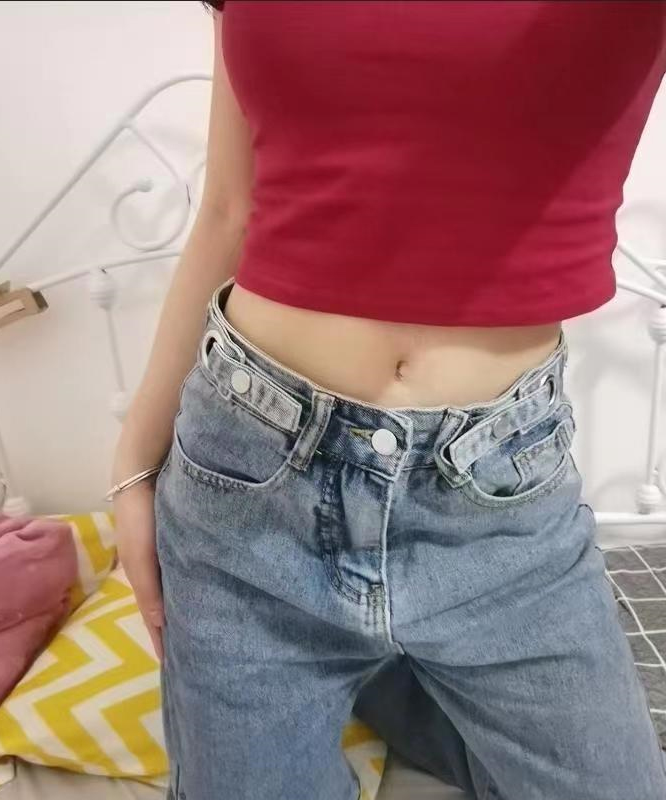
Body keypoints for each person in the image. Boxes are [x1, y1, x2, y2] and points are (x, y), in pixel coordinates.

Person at [109, 2, 666, 799]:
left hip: (501, 503)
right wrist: (134, 463)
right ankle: (383, 672)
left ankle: (390, 678)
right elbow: (231, 207)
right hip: (249, 478)